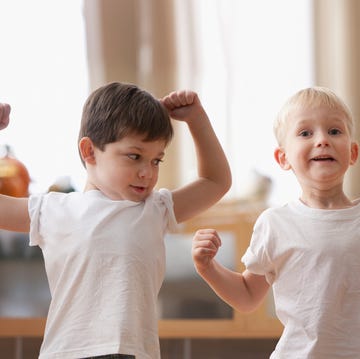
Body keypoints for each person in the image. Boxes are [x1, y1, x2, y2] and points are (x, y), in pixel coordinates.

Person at [0, 82, 231, 359]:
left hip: (135, 352)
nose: (147, 172)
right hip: (68, 352)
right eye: (134, 156)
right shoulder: (54, 209)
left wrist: (197, 119)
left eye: (157, 160)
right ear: (89, 152)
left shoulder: (155, 209)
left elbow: (216, 181)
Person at [192, 86, 360, 358]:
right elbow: (247, 296)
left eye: (334, 131)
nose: (322, 140)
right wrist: (207, 267)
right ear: (283, 158)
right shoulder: (275, 223)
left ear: (352, 153)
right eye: (305, 133)